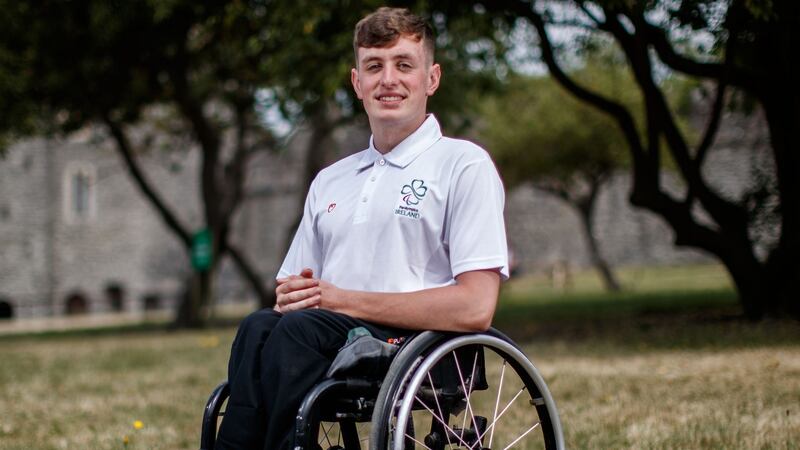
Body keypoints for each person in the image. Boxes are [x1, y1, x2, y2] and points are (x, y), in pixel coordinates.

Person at [215, 7, 509, 450]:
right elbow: (298, 284)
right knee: (258, 327)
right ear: (357, 83)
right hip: (331, 337)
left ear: (431, 79)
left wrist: (339, 300)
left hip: (418, 348)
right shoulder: (331, 179)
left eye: (404, 65)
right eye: (374, 66)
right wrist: (292, 295)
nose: (388, 79)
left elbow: (475, 307)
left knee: (297, 332)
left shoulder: (463, 165)